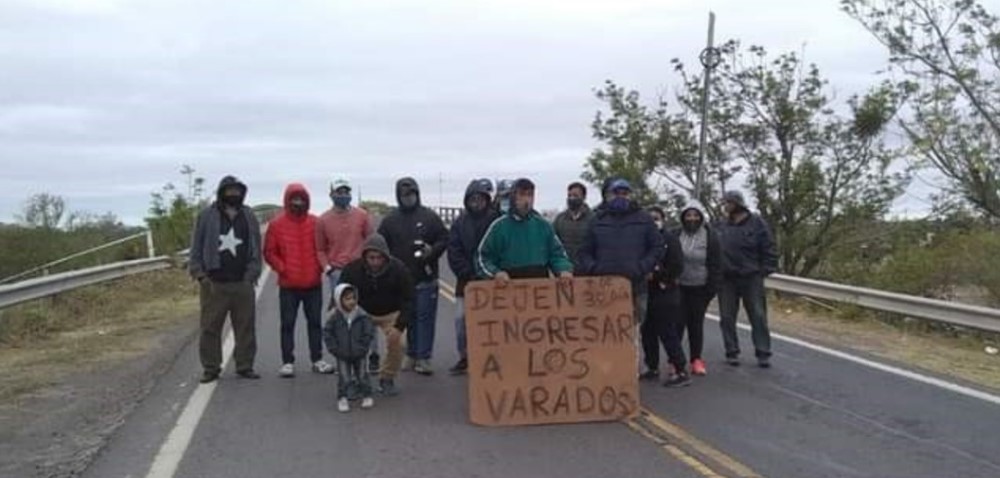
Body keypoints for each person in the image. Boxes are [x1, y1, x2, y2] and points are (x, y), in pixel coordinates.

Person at [577, 178, 663, 376]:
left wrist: (642, 267)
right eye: (617, 193)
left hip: (635, 286)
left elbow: (657, 247)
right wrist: (594, 268)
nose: (620, 197)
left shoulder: (644, 219)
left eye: (625, 193)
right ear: (608, 195)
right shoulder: (597, 220)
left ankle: (628, 378)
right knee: (603, 333)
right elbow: (584, 251)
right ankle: (605, 374)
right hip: (603, 288)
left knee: (631, 333)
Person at [189, 175, 263, 383]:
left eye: (237, 190)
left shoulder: (249, 216)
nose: (233, 194)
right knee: (210, 328)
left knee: (246, 327)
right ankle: (211, 368)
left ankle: (245, 365)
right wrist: (200, 275)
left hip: (242, 282)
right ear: (221, 192)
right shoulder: (206, 216)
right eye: (229, 190)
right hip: (214, 283)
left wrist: (252, 274)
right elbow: (196, 246)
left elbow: (256, 247)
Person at [377, 178, 448, 376]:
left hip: (425, 277)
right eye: (404, 195)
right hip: (401, 280)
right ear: (398, 196)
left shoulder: (429, 217)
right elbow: (381, 245)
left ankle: (424, 357)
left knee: (425, 318)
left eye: (412, 194)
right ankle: (411, 354)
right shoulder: (390, 220)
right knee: (406, 319)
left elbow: (444, 239)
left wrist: (432, 250)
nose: (409, 198)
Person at [264, 183, 334, 377]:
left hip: (312, 283)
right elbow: (269, 252)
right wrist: (282, 268)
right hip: (288, 285)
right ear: (287, 200)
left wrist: (320, 267)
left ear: (306, 200)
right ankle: (287, 362)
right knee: (287, 324)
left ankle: (317, 359)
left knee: (315, 323)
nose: (298, 202)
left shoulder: (315, 222)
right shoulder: (277, 225)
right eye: (294, 199)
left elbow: (325, 247)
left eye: (301, 199)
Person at [338, 234, 413, 396]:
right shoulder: (352, 270)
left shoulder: (399, 269)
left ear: (386, 256)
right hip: (361, 312)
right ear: (365, 256)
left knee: (399, 343)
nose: (375, 262)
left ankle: (387, 378)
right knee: (349, 345)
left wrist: (399, 327)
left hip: (391, 313)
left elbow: (409, 300)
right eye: (371, 257)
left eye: (379, 257)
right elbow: (341, 294)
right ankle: (353, 381)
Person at [315, 178, 376, 371]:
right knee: (343, 317)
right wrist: (328, 269)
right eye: (339, 192)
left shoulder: (362, 216)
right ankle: (346, 357)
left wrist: (370, 265)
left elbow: (371, 240)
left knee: (366, 314)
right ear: (332, 194)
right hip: (338, 273)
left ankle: (372, 353)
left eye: (346, 191)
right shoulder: (323, 220)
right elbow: (319, 249)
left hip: (361, 270)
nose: (343, 195)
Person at [715, 191, 778, 368]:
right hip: (727, 279)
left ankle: (763, 352)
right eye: (724, 203)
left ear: (737, 204)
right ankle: (732, 351)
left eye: (728, 202)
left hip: (751, 277)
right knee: (727, 317)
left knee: (757, 315)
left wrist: (765, 270)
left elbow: (769, 248)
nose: (725, 206)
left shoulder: (757, 223)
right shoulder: (721, 225)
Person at [476, 178, 574, 284]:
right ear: (513, 197)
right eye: (522, 194)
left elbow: (558, 254)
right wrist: (495, 273)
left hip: (539, 288)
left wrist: (563, 269)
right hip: (509, 287)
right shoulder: (499, 227)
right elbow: (482, 258)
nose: (526, 199)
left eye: (530, 195)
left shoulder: (543, 225)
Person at [446, 179, 497, 375]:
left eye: (480, 199)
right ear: (467, 201)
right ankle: (464, 357)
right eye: (473, 199)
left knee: (491, 323)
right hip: (466, 283)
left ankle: (490, 358)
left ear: (487, 200)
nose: (477, 203)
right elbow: (454, 251)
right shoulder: (460, 223)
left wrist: (489, 272)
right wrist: (468, 273)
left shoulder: (496, 220)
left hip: (492, 282)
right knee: (461, 321)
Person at [673, 203, 722, 376]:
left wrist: (711, 289)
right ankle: (675, 361)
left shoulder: (710, 236)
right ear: (683, 217)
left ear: (700, 217)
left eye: (695, 215)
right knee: (677, 324)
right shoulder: (676, 234)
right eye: (688, 215)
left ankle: (696, 360)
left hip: (700, 287)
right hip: (678, 286)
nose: (692, 219)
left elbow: (716, 264)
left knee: (696, 324)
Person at [643, 206, 690, 387]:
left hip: (666, 292)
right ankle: (652, 367)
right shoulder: (643, 240)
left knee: (667, 332)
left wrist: (657, 275)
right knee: (647, 332)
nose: (653, 221)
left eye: (656, 218)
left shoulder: (670, 240)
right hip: (647, 293)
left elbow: (677, 266)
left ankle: (680, 370)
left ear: (663, 219)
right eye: (650, 218)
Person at [323, 284, 376, 412]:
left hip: (360, 352)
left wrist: (364, 345)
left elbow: (369, 330)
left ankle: (367, 395)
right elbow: (327, 333)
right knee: (344, 377)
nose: (351, 301)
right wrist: (334, 349)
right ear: (339, 300)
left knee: (363, 375)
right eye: (347, 299)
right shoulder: (335, 317)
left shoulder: (362, 315)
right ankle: (342, 398)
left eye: (353, 298)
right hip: (342, 353)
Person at [553, 182, 594, 269]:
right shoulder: (559, 219)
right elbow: (554, 243)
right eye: (569, 195)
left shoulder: (593, 219)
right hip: (565, 269)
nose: (571, 198)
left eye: (575, 195)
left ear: (583, 197)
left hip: (586, 270)